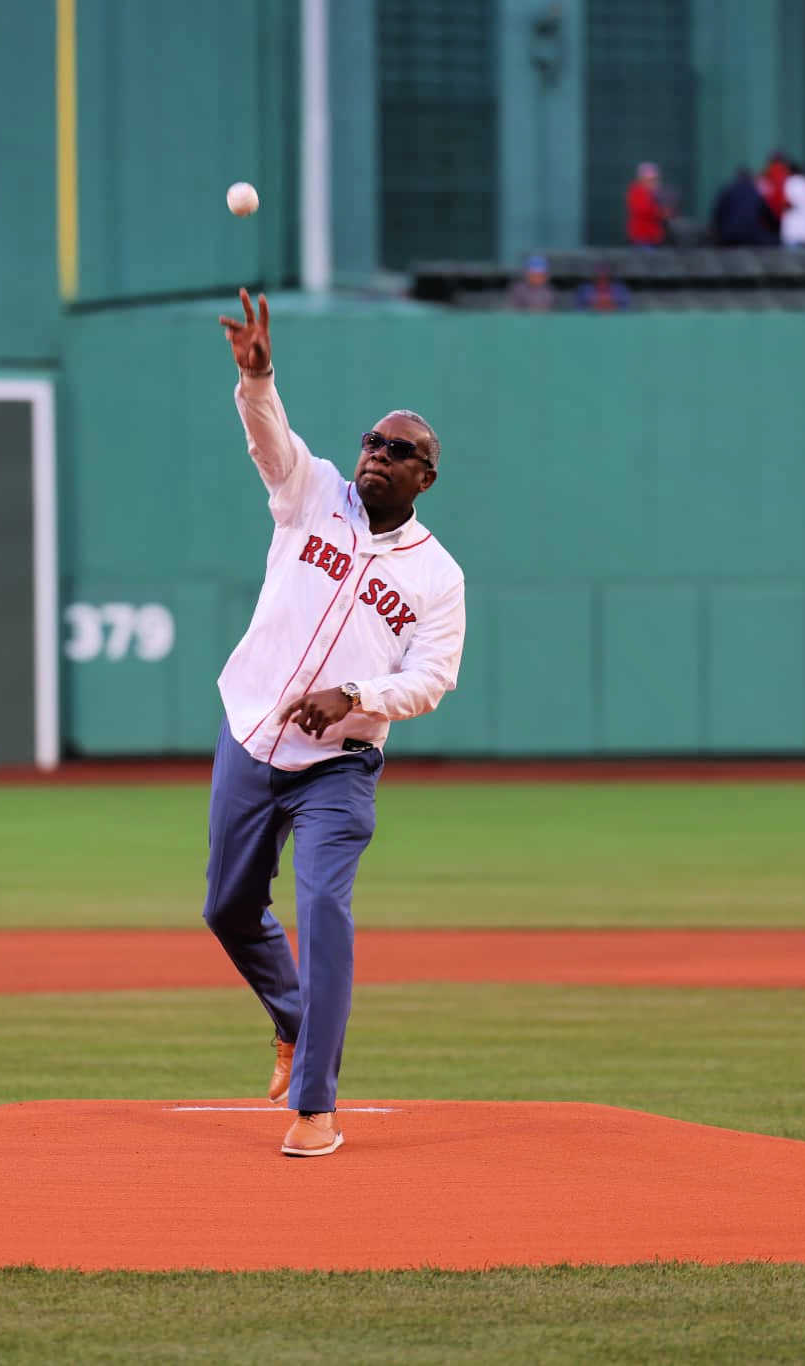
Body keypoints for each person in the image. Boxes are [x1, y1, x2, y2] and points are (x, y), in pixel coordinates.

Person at [208, 289, 468, 1159]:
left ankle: (315, 1107)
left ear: (425, 478)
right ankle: (290, 1021)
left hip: (338, 767)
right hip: (252, 736)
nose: (378, 456)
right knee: (228, 909)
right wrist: (257, 377)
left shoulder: (439, 577)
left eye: (401, 452)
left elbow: (433, 678)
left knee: (322, 909)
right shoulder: (311, 492)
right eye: (373, 442)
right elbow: (269, 441)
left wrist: (355, 694)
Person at [626, 162, 669, 247]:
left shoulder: (657, 192)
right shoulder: (637, 191)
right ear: (642, 179)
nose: (654, 182)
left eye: (655, 179)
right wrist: (662, 213)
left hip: (656, 237)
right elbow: (644, 210)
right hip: (642, 237)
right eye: (650, 180)